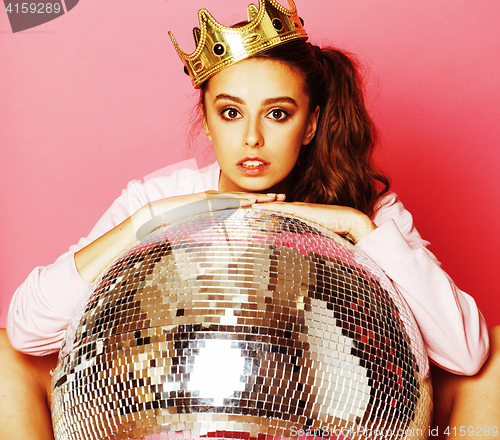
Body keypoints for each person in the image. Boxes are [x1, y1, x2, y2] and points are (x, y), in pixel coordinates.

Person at [1, 0, 495, 438]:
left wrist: (360, 230)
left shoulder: (366, 212)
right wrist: (144, 221)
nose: (252, 138)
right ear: (209, 118)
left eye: (277, 113)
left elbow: (468, 353)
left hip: (324, 422)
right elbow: (25, 330)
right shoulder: (160, 196)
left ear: (311, 124)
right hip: (175, 420)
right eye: (231, 112)